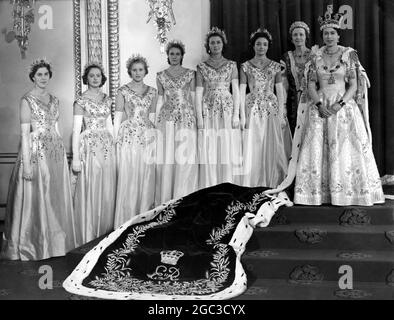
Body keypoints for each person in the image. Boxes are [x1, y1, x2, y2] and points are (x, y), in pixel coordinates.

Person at [265, 5, 385, 206]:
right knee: (317, 148)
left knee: (345, 149)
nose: (329, 36)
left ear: (338, 35)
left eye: (332, 33)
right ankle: (317, 194)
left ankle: (348, 192)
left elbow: (354, 84)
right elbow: (311, 84)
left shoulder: (349, 54)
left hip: (343, 106)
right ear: (322, 36)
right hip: (320, 104)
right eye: (326, 33)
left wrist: (340, 104)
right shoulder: (315, 56)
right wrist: (320, 104)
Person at [1, 58, 77, 260]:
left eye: (46, 74)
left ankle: (56, 243)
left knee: (54, 197)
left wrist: (62, 154)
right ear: (33, 77)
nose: (43, 77)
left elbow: (58, 129)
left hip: (55, 153)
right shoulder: (26, 100)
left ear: (49, 76)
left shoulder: (55, 99)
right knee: (38, 195)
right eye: (39, 74)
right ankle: (35, 243)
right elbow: (25, 134)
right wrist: (26, 165)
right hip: (36, 153)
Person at [240, 28, 292, 188]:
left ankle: (273, 179)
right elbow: (242, 90)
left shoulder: (275, 66)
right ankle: (252, 180)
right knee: (253, 142)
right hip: (252, 106)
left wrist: (282, 111)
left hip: (271, 106)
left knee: (272, 142)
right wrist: (241, 113)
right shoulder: (245, 66)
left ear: (268, 46)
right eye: (258, 44)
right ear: (253, 46)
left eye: (264, 44)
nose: (261, 47)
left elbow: (279, 90)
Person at [71, 62, 116, 244]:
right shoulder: (80, 101)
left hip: (106, 146)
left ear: (102, 78)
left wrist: (115, 147)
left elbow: (110, 125)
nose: (95, 78)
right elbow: (75, 130)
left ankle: (106, 230)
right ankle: (89, 231)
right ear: (86, 79)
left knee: (106, 186)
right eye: (91, 75)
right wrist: (75, 157)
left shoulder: (107, 99)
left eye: (98, 75)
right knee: (92, 185)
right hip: (89, 147)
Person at [113, 55, 157, 228]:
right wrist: (115, 139)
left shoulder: (153, 91)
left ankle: (144, 218)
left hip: (147, 134)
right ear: (129, 72)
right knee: (130, 173)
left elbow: (152, 117)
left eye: (140, 69)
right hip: (129, 135)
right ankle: (126, 219)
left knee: (147, 174)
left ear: (145, 71)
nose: (138, 73)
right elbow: (117, 118)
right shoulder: (122, 91)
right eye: (134, 70)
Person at [196, 27, 242, 188]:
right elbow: (198, 93)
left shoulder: (231, 65)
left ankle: (227, 183)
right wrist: (200, 118)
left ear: (223, 44)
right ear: (208, 46)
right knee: (210, 145)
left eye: (218, 42)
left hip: (227, 108)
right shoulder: (201, 67)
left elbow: (236, 90)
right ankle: (211, 184)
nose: (215, 45)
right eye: (212, 43)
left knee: (227, 144)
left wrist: (236, 114)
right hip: (208, 108)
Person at [155, 40, 198, 205]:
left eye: (177, 54)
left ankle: (184, 195)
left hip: (185, 117)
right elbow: (160, 99)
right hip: (167, 119)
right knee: (169, 156)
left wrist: (195, 117)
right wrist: (156, 121)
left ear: (182, 56)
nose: (174, 56)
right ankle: (168, 196)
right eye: (172, 54)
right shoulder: (160, 75)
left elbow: (193, 97)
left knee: (184, 156)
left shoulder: (190, 74)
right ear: (168, 56)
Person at [281, 21, 312, 134]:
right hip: (293, 101)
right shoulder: (287, 57)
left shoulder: (315, 54)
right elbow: (284, 84)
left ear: (306, 37)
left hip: (312, 100)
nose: (298, 37)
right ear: (291, 38)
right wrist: (283, 105)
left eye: (301, 34)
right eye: (295, 35)